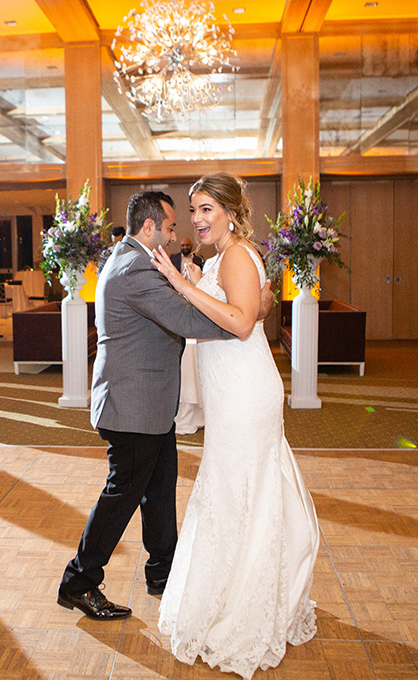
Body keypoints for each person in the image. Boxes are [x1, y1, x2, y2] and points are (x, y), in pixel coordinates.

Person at [57, 189, 275, 621]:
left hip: (148, 406)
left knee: (158, 492)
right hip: (132, 409)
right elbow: (186, 319)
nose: (178, 235)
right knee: (121, 495)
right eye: (173, 226)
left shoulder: (131, 259)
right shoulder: (135, 268)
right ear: (150, 227)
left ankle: (162, 572)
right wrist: (248, 316)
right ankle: (79, 581)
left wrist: (223, 301)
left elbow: (178, 308)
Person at [152, 173, 319, 679]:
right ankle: (229, 591)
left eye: (207, 209)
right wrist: (195, 278)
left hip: (247, 395)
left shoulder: (239, 254)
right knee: (228, 491)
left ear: (229, 210)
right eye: (193, 209)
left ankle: (246, 606)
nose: (198, 219)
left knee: (240, 490)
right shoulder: (221, 258)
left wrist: (183, 284)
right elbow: (256, 305)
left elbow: (244, 322)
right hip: (228, 394)